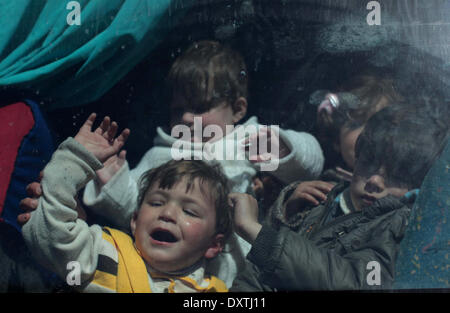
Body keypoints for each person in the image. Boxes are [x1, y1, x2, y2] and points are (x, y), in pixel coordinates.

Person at [18, 40, 324, 288]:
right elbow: (138, 216)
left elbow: (311, 165)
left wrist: (284, 148)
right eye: (180, 109)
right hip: (160, 271)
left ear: (238, 109)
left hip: (231, 274)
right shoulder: (162, 154)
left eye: (201, 107)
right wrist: (115, 185)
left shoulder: (248, 141)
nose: (188, 118)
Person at [229, 103, 449, 290]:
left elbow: (356, 281)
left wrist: (259, 234)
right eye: (368, 163)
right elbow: (258, 273)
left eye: (398, 175)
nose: (375, 181)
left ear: (425, 183)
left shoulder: (407, 229)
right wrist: (288, 211)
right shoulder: (324, 198)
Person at [22, 114, 232, 292]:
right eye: (157, 203)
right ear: (135, 220)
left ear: (214, 244)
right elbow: (52, 237)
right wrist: (76, 159)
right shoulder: (104, 254)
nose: (167, 213)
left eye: (189, 211)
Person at [282, 73, 404, 222]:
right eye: (355, 124)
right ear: (336, 139)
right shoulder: (320, 189)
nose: (365, 134)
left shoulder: (402, 190)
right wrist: (290, 209)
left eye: (378, 125)